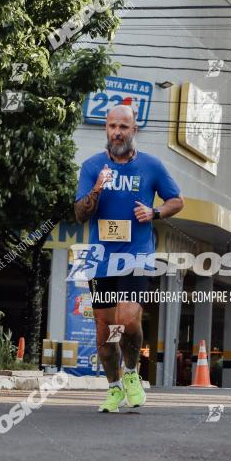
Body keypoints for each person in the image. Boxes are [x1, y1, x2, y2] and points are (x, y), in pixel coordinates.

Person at [74, 104, 184, 412]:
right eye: (112, 126)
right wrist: (97, 188)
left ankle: (133, 374)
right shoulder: (92, 166)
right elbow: (81, 214)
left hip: (137, 255)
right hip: (100, 259)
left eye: (123, 127)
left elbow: (177, 200)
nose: (117, 132)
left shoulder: (151, 166)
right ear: (106, 129)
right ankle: (113, 387)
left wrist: (155, 212)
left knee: (127, 319)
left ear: (133, 130)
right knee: (105, 333)